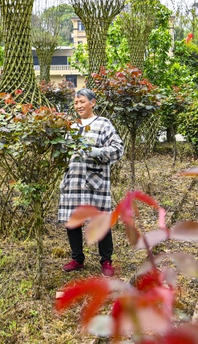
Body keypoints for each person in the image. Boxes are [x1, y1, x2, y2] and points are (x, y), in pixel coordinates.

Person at [58, 88, 124, 277]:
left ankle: (106, 260)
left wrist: (98, 153)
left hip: (95, 183)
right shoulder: (71, 126)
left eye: (82, 101)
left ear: (93, 103)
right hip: (73, 181)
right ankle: (77, 259)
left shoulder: (103, 124)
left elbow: (118, 148)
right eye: (76, 102)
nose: (78, 105)